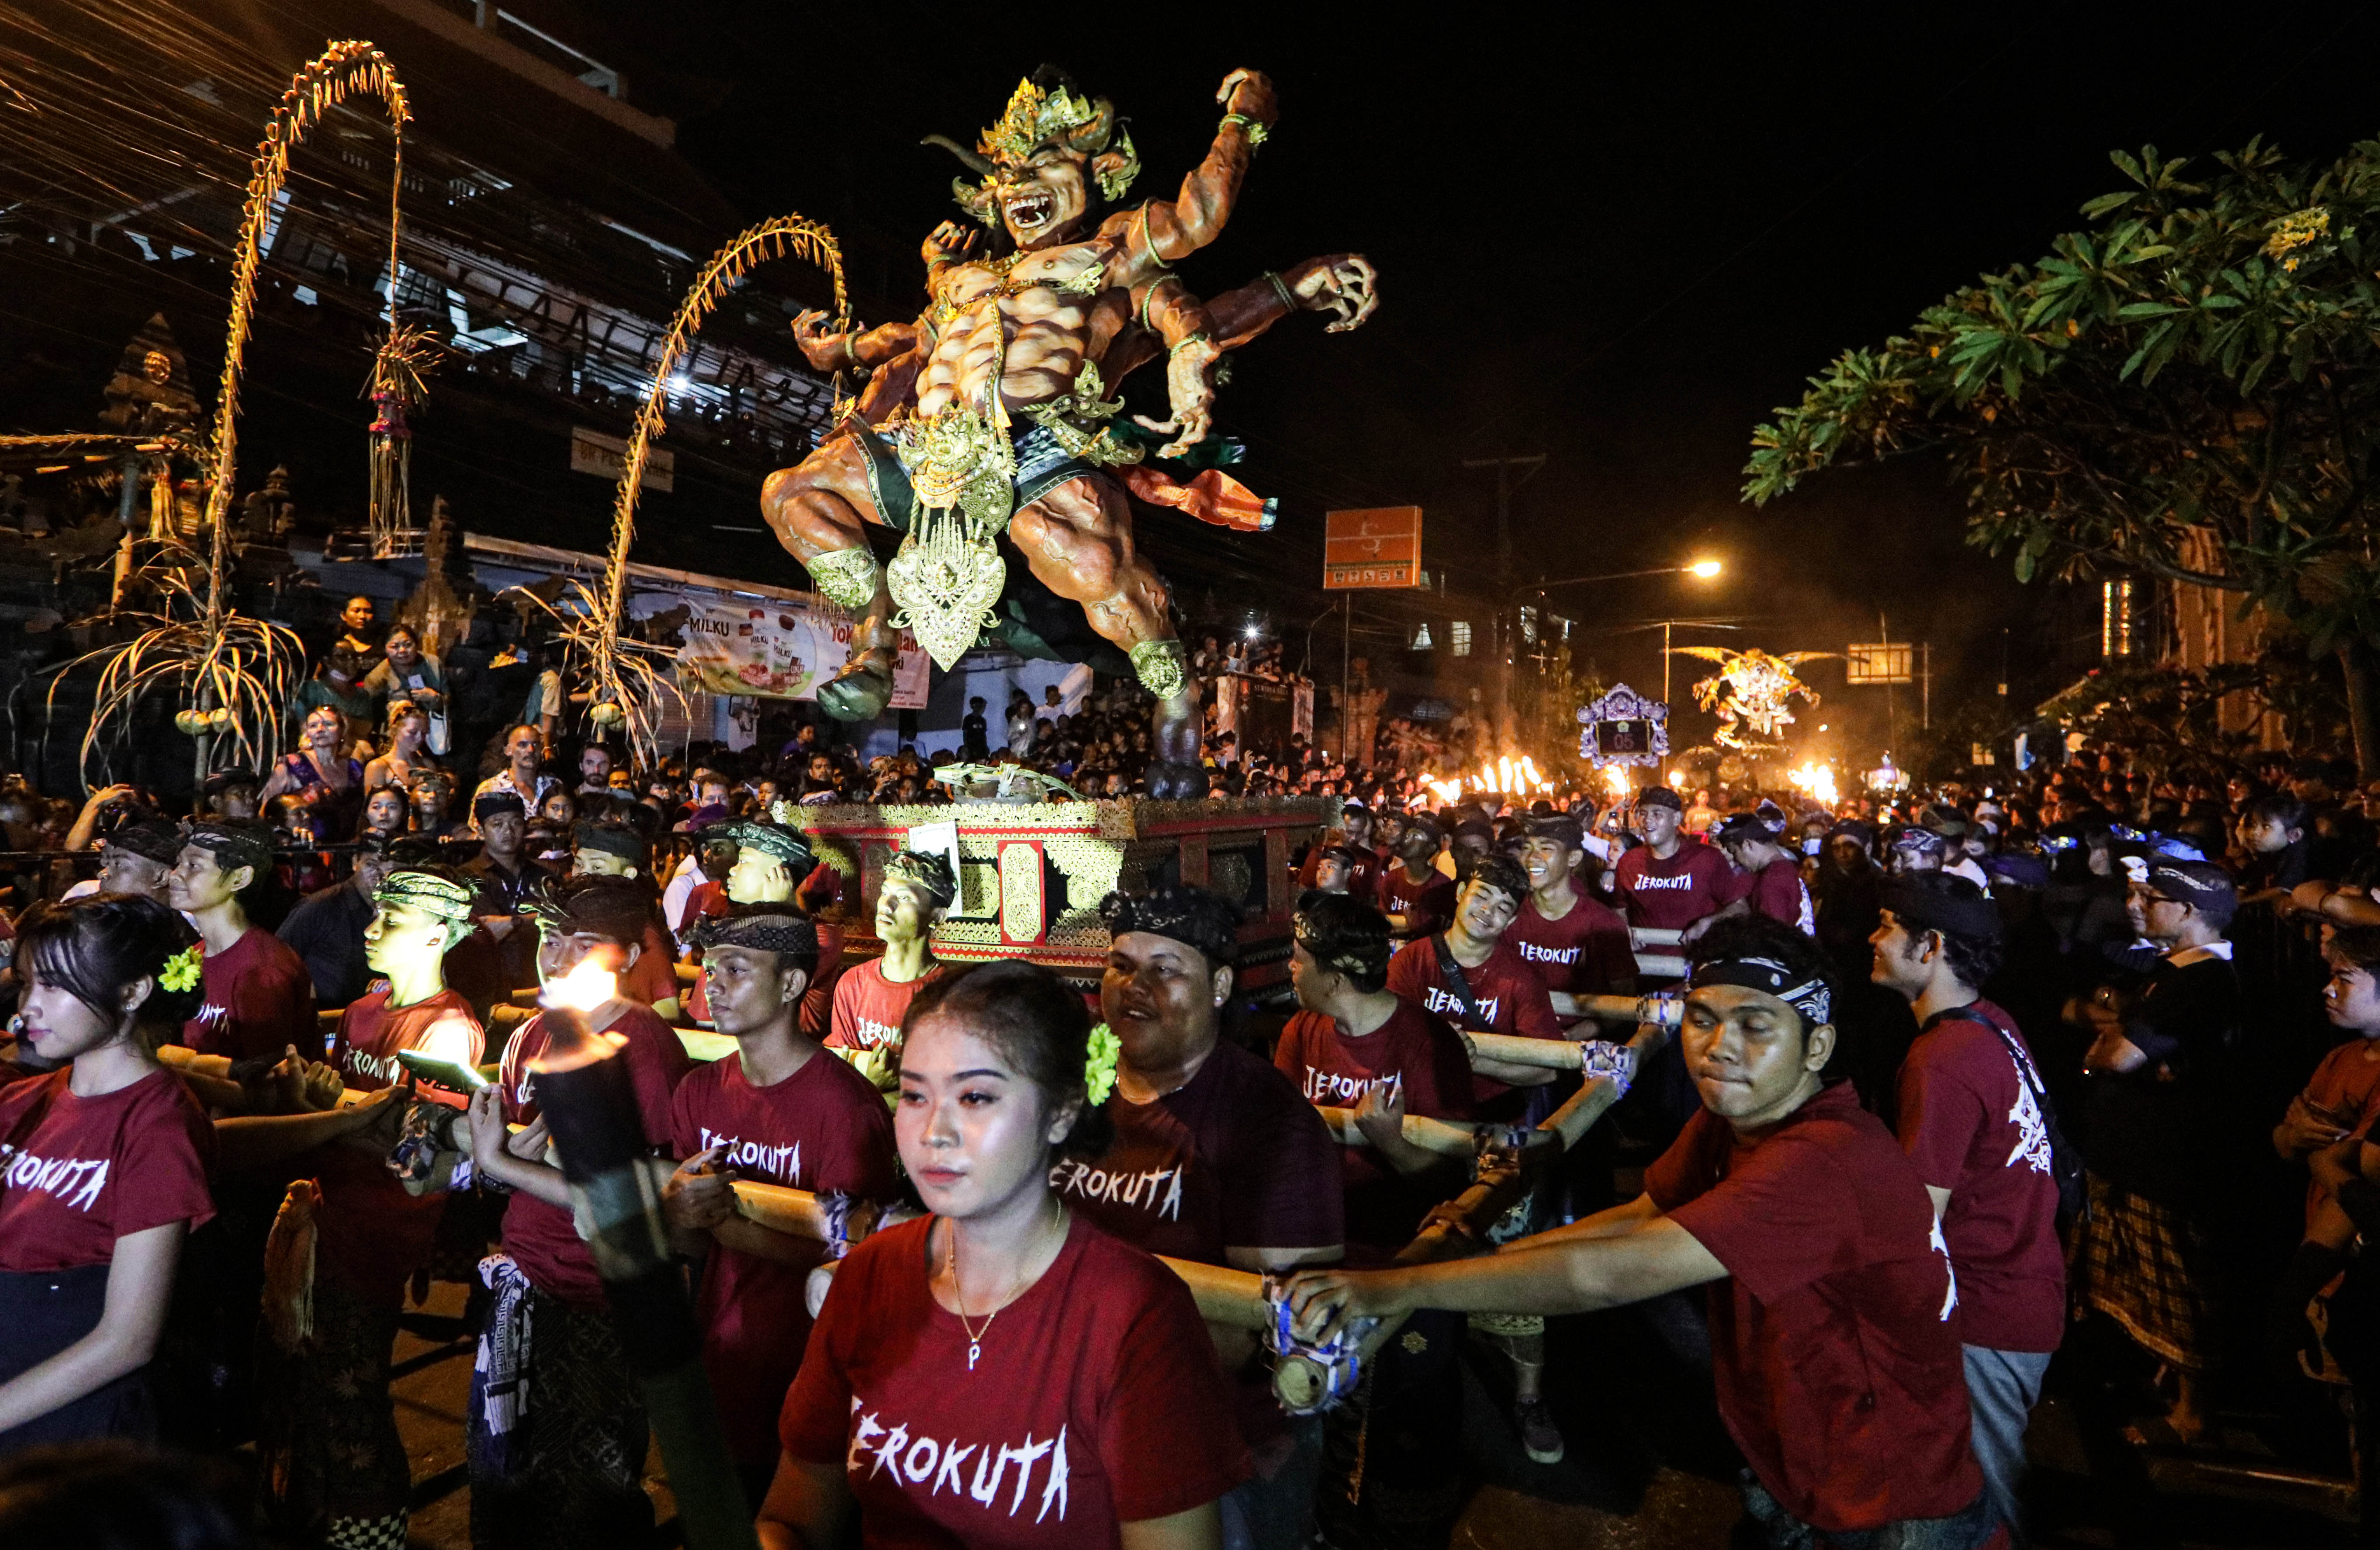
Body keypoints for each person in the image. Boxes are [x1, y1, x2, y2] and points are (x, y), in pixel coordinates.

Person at [1283, 916, 2000, 1550]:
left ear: (1816, 1047)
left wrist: (1391, 1284)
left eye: (1756, 1025)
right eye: (1702, 1018)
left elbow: (1607, 1274)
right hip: (1800, 1465)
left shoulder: (1823, 1162)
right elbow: (1636, 1216)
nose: (1718, 1047)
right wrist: (1481, 1251)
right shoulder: (1734, 1117)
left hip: (1891, 1507)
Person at [760, 959, 1248, 1550]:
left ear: (1061, 1113)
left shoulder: (1134, 1318)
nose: (934, 1131)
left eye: (976, 1097)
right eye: (914, 1095)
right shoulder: (870, 1276)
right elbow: (792, 1518)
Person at [1062, 886, 1341, 1550]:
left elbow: (1260, 1332)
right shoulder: (1069, 1088)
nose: (1136, 987)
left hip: (1212, 1440)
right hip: (1059, 1414)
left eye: (1166, 969)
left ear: (1219, 986)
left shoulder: (1269, 1123)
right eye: (1122, 965)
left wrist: (1058, 1337)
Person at [256, 865, 485, 1549]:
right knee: (312, 1390)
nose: (373, 929)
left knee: (354, 1397)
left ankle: (370, 1535)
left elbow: (415, 1157)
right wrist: (323, 1105)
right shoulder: (362, 1009)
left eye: (393, 920)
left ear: (437, 935)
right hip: (325, 1215)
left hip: (377, 1234)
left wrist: (327, 1110)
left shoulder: (448, 1028)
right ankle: (313, 1519)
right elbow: (344, 1113)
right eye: (376, 915)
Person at [462, 876, 692, 1548]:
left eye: (579, 944)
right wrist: (497, 1154)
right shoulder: (532, 1035)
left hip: (597, 1296)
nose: (555, 957)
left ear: (618, 956)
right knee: (505, 1471)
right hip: (524, 1275)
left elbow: (639, 1197)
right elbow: (503, 1141)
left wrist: (508, 1165)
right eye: (550, 939)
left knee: (588, 1492)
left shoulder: (642, 1049)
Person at [661, 908, 898, 1499]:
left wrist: (730, 1227)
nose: (712, 985)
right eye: (710, 971)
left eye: (736, 970)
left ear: (792, 984)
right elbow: (686, 1247)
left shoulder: (846, 1110)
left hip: (812, 1375)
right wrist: (680, 1214)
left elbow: (860, 1260)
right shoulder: (697, 1092)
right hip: (722, 1357)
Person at [1869, 874, 2064, 1541]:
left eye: (1889, 925)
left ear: (1931, 947)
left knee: (1976, 1506)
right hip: (2026, 1284)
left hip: (1984, 1306)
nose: (1874, 937)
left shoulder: (1942, 1060)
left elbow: (1918, 1217)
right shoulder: (1993, 1023)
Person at [0, 895, 214, 1453]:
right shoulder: (24, 1101)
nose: (29, 1005)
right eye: (26, 984)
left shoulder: (158, 1123)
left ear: (133, 990)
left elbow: (128, 1337)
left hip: (70, 1429)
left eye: (53, 985)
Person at [2070, 858, 2242, 1444]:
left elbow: (2116, 1054)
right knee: (2144, 1278)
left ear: (2189, 911)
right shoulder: (2170, 974)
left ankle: (2193, 1414)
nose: (2134, 906)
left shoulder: (2205, 982)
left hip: (2169, 1163)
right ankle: (2169, 1382)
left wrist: (2105, 1043)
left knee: (2181, 1285)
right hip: (2136, 1156)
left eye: (2150, 896)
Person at [1275, 892, 1473, 1251]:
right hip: (1313, 1230)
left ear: (1335, 980)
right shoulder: (1301, 1030)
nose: (1290, 967)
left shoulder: (1429, 1044)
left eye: (1299, 960)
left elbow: (1451, 1178)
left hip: (1398, 1242)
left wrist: (1391, 1143)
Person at [1385, 855, 1564, 1118]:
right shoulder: (1410, 961)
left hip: (1491, 1112)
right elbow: (1383, 1037)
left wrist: (1473, 1060)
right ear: (1460, 893)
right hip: (1417, 1108)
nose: (1487, 911)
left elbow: (1548, 1068)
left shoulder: (1523, 979)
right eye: (1481, 896)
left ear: (1511, 922)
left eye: (1503, 908)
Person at [169, 820, 318, 1070]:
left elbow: (268, 1085)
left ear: (240, 878)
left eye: (194, 866)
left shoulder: (262, 971)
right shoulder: (194, 955)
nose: (176, 874)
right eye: (179, 863)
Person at [826, 850, 954, 1092]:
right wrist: (874, 1089)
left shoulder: (950, 993)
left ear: (937, 916)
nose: (886, 905)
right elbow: (841, 1074)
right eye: (885, 893)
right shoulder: (853, 984)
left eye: (904, 898)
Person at [1505, 813, 1636, 1007]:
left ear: (1573, 858)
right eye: (1527, 848)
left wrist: (1581, 1032)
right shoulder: (1507, 914)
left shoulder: (1603, 924)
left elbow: (1624, 1002)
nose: (1532, 857)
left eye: (1546, 848)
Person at [275, 835, 395, 1010]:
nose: (380, 876)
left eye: (389, 869)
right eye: (371, 865)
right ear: (356, 863)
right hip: (325, 1017)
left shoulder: (393, 912)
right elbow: (277, 960)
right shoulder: (321, 907)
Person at [1612, 787, 1731, 943]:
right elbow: (1620, 909)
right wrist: (1623, 931)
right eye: (1643, 814)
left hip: (1695, 960)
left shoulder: (1707, 859)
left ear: (1676, 818)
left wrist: (1708, 924)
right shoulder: (1629, 862)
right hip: (1645, 961)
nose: (1647, 820)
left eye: (1657, 814)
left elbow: (1739, 907)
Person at [260, 704, 365, 844]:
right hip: (306, 848)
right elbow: (266, 812)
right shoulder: (292, 765)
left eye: (328, 724)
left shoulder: (355, 768)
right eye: (314, 726)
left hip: (348, 848)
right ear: (307, 733)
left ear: (342, 731)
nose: (321, 730)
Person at [1703, 813, 1815, 938]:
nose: (1736, 860)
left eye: (1734, 852)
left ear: (1748, 844)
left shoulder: (1772, 881)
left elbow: (1771, 937)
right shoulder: (1784, 868)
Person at [58, 814, 180, 906]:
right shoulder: (89, 913)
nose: (102, 874)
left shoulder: (187, 933)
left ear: (161, 878)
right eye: (107, 865)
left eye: (119, 865)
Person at [1375, 813, 1456, 938]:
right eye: (1407, 836)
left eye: (1415, 837)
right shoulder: (1392, 878)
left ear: (1431, 848)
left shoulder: (1441, 885)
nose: (1406, 840)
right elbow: (1382, 923)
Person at [475, 724, 563, 820]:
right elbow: (478, 830)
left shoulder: (553, 785)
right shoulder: (491, 788)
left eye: (536, 744)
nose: (531, 750)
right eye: (523, 745)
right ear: (508, 750)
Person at [362, 703, 432, 796]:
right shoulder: (379, 767)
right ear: (395, 730)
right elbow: (374, 806)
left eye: (424, 733)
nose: (420, 738)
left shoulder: (427, 764)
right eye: (413, 732)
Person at [960, 695, 990, 761]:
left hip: (981, 748)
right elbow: (965, 733)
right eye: (977, 706)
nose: (980, 709)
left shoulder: (983, 720)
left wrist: (985, 747)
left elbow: (983, 735)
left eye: (981, 706)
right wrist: (967, 747)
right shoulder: (968, 719)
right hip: (971, 748)